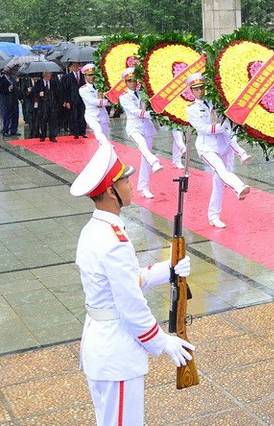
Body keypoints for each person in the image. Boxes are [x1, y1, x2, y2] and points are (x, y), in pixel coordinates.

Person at [72, 141, 194, 425]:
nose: (131, 184)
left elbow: (125, 281)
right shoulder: (114, 240)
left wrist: (169, 269)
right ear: (112, 193)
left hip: (102, 345)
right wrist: (162, 341)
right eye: (125, 180)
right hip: (117, 351)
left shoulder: (95, 230)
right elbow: (130, 303)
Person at [184, 73, 249, 228]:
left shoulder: (215, 101)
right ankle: (239, 187)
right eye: (196, 89)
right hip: (207, 147)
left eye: (201, 88)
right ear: (191, 91)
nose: (200, 91)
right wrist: (223, 126)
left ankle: (213, 216)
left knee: (219, 181)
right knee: (220, 170)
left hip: (224, 144)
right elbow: (203, 128)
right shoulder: (191, 109)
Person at [119, 68, 163, 199]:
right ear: (125, 82)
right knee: (143, 147)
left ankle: (144, 187)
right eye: (129, 81)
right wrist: (150, 114)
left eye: (134, 80)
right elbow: (134, 111)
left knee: (145, 157)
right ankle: (154, 162)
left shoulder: (143, 94)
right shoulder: (124, 97)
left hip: (147, 127)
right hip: (134, 127)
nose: (132, 83)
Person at [79, 64, 111, 145]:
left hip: (103, 114)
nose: (92, 77)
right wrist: (106, 102)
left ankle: (105, 151)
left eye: (94, 74)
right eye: (90, 75)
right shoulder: (83, 89)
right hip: (92, 115)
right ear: (85, 76)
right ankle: (108, 147)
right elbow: (91, 101)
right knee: (98, 131)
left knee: (105, 136)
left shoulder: (101, 86)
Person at [33, 71, 62, 142]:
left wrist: (58, 103)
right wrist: (39, 94)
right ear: (43, 75)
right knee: (43, 121)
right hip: (42, 106)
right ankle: (43, 135)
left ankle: (53, 136)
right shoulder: (38, 83)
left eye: (50, 74)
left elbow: (58, 93)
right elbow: (34, 93)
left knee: (53, 121)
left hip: (52, 105)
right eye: (47, 74)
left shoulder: (54, 82)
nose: (49, 75)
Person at [61, 61, 88, 139]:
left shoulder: (83, 76)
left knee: (82, 115)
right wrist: (66, 101)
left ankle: (82, 132)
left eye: (77, 66)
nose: (76, 67)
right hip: (72, 100)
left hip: (82, 99)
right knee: (74, 116)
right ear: (71, 67)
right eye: (74, 66)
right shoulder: (67, 77)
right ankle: (74, 132)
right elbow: (64, 90)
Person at [0, 69, 20, 137]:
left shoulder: (13, 79)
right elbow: (0, 90)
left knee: (15, 115)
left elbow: (16, 89)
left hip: (14, 100)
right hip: (6, 100)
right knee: (6, 116)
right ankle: (5, 130)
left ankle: (14, 130)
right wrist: (7, 90)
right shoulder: (2, 79)